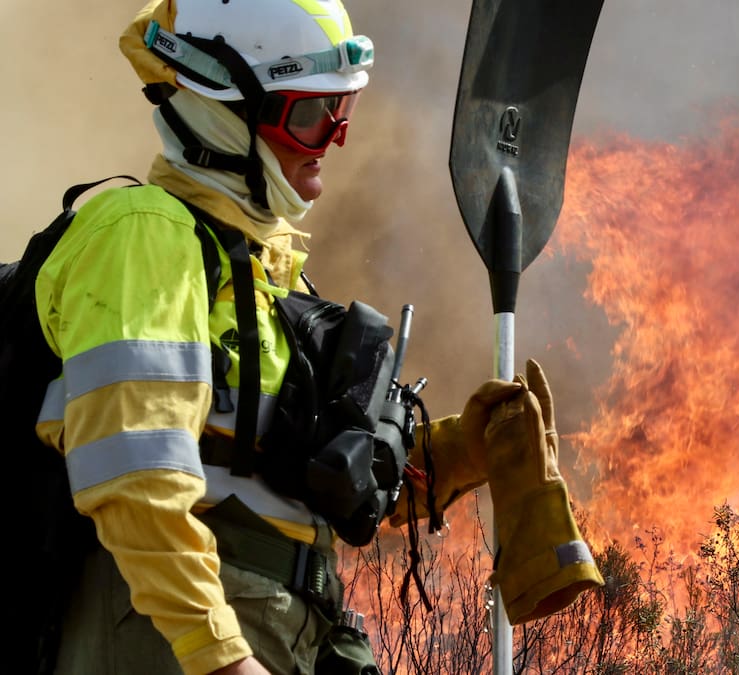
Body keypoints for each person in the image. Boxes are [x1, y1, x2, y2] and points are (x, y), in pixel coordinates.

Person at [34, 1, 602, 674]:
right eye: (311, 115)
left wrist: (459, 450)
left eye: (345, 114)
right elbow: (133, 474)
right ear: (226, 109)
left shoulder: (270, 280)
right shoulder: (144, 235)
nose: (334, 139)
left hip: (285, 631)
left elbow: (305, 477)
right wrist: (219, 657)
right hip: (174, 639)